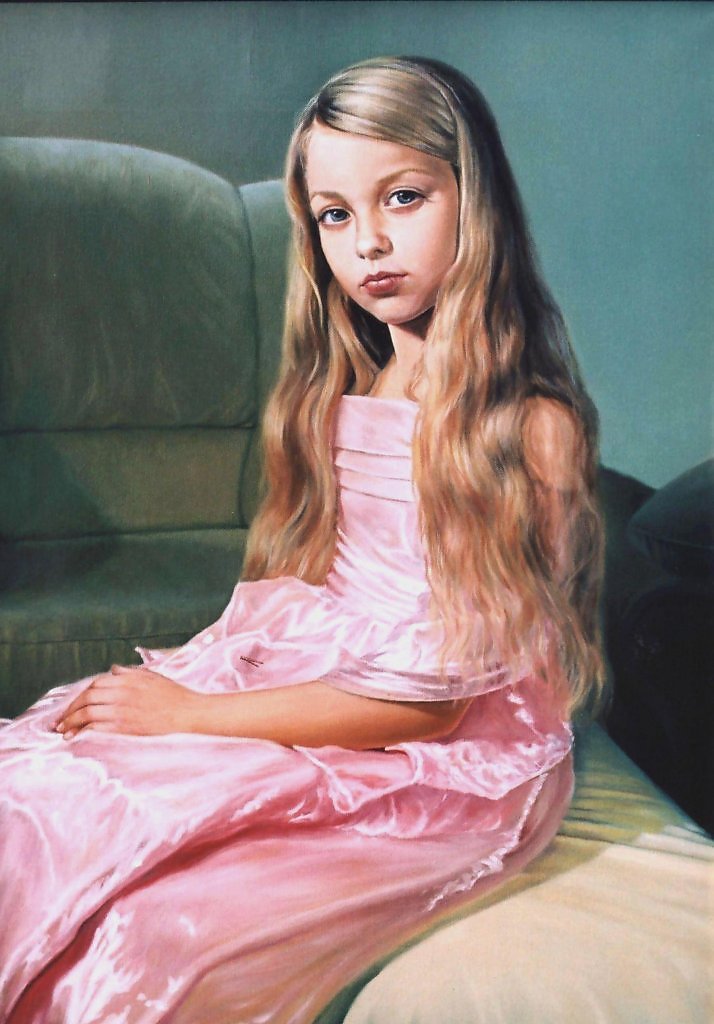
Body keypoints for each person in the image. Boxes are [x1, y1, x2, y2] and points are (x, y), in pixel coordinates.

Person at [0, 56, 604, 1023]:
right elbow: (349, 591)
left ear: (476, 200)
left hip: (439, 745)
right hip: (339, 668)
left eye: (403, 198)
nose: (369, 243)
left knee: (149, 903)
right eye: (333, 215)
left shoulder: (530, 428)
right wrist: (199, 690)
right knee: (40, 786)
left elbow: (430, 709)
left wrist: (188, 714)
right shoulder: (360, 386)